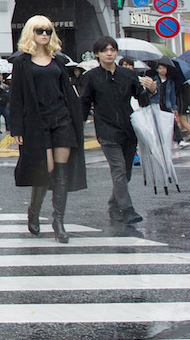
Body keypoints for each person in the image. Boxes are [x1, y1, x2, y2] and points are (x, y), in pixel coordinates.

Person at [9, 15, 86, 243]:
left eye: (48, 31)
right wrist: (17, 129)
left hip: (61, 118)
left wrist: (78, 116)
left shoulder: (58, 60)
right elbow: (17, 97)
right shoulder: (21, 62)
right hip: (36, 122)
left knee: (61, 170)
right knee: (46, 169)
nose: (44, 34)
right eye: (40, 30)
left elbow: (67, 90)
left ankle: (58, 221)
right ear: (31, 33)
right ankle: (34, 210)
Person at [80, 38, 157, 227]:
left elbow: (142, 100)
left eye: (113, 50)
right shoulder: (91, 77)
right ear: (97, 54)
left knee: (126, 173)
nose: (109, 53)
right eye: (104, 50)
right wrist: (78, 128)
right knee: (118, 169)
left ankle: (114, 205)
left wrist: (152, 90)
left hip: (129, 129)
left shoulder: (127, 75)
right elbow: (84, 103)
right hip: (106, 129)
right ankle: (127, 209)